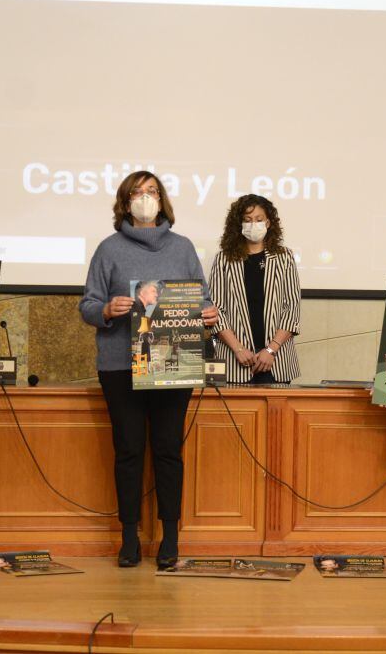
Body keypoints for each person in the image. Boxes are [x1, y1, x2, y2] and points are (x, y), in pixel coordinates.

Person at [79, 171, 218, 569]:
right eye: (138, 193)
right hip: (120, 365)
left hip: (173, 363)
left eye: (152, 192)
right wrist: (106, 310)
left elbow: (202, 300)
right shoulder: (108, 249)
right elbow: (87, 305)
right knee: (128, 451)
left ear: (162, 200)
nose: (145, 198)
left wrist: (207, 314)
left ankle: (170, 539)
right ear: (125, 201)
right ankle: (128, 538)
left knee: (168, 451)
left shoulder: (183, 247)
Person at [208, 194, 301, 384]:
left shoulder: (284, 257)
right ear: (239, 225)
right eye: (247, 220)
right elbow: (216, 310)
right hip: (235, 361)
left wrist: (271, 349)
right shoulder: (223, 259)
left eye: (259, 219)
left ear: (268, 223)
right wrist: (239, 349)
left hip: (277, 360)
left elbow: (291, 308)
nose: (254, 224)